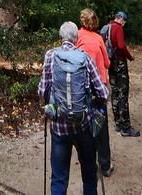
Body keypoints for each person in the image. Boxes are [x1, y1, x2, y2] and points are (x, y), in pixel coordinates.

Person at [39, 21, 108, 195]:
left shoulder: (50, 56)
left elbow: (42, 90)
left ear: (60, 37)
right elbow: (103, 93)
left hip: (59, 127)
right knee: (89, 174)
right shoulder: (85, 57)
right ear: (76, 39)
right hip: (83, 125)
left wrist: (50, 104)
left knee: (59, 177)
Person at [77, 8, 113, 178]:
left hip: (83, 87)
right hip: (99, 86)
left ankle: (88, 163)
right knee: (101, 125)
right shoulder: (98, 39)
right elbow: (107, 62)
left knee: (84, 125)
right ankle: (105, 164)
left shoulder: (77, 36)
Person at [108, 11, 140, 137]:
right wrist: (129, 56)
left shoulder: (108, 27)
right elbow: (121, 45)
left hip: (110, 63)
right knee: (123, 93)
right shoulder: (118, 28)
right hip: (120, 63)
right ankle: (125, 127)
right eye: (124, 21)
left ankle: (117, 123)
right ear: (121, 19)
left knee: (115, 92)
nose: (124, 23)